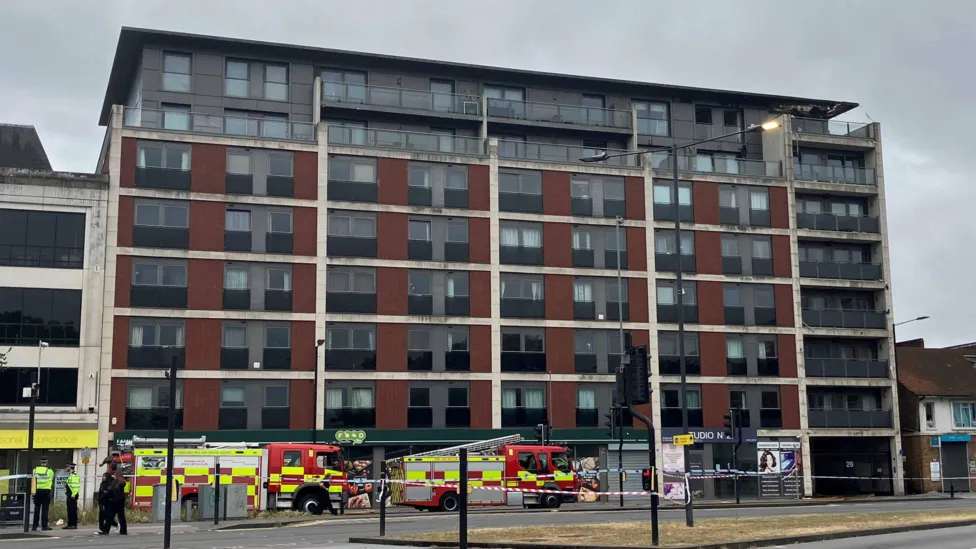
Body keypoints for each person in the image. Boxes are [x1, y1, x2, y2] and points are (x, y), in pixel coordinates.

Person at [31, 456, 54, 531]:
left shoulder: (35, 470)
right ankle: (44, 526)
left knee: (36, 509)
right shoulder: (49, 471)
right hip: (46, 491)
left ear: (40, 462)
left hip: (37, 491)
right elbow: (51, 478)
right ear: (46, 462)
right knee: (45, 510)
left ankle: (34, 526)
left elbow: (33, 479)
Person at [62, 463, 80, 530]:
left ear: (70, 467)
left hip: (72, 496)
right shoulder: (70, 475)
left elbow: (76, 487)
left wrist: (73, 495)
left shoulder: (74, 476)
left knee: (72, 510)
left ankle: (73, 524)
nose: (66, 468)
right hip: (69, 495)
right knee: (69, 510)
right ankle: (69, 524)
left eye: (67, 467)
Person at [109, 471, 127, 535]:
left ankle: (106, 529)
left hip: (115, 502)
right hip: (121, 501)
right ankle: (123, 530)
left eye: (114, 475)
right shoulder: (122, 483)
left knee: (110, 516)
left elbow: (114, 492)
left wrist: (111, 500)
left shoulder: (116, 483)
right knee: (122, 517)